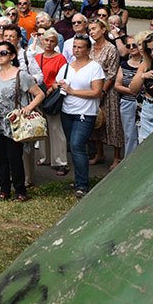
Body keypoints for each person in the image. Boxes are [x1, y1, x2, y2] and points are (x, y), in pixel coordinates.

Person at [0, 41, 45, 201]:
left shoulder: (21, 75)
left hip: (14, 124)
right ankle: (4, 189)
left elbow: (40, 94)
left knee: (14, 158)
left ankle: (20, 190)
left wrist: (29, 108)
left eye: (3, 53)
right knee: (1, 158)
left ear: (12, 56)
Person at [56, 34, 104, 197]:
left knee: (77, 145)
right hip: (67, 112)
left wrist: (73, 91)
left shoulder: (94, 68)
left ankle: (83, 185)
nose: (76, 50)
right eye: (74, 46)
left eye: (80, 47)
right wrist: (59, 86)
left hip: (85, 113)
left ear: (88, 50)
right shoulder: (67, 67)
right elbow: (59, 84)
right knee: (74, 146)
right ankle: (78, 180)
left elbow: (96, 92)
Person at [88, 19, 123, 170]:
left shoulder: (110, 49)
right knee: (97, 122)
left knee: (112, 122)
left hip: (108, 91)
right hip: (92, 90)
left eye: (94, 28)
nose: (91, 32)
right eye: (89, 30)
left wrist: (102, 91)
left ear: (103, 30)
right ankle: (99, 154)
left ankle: (117, 157)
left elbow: (112, 73)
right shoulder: (90, 48)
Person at [34, 29, 69, 175]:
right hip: (38, 95)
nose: (49, 43)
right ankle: (45, 157)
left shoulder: (60, 58)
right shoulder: (37, 57)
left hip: (52, 96)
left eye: (52, 41)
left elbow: (62, 78)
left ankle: (61, 161)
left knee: (56, 128)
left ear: (56, 43)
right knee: (41, 127)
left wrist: (50, 89)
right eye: (46, 40)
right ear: (42, 41)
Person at [114, 34, 143, 158]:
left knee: (142, 135)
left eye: (134, 45)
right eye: (128, 46)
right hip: (127, 103)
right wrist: (131, 90)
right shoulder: (124, 64)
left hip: (143, 104)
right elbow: (117, 85)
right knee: (129, 136)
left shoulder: (146, 64)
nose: (131, 48)